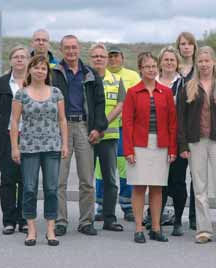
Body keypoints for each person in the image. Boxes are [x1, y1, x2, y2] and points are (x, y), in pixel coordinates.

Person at [177, 46, 216, 245]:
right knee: (200, 188)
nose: (204, 64)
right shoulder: (188, 87)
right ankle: (203, 230)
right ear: (197, 63)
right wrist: (183, 145)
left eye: (207, 60)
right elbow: (181, 119)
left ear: (213, 62)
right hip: (196, 142)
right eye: (200, 61)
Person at [52, 35, 108, 237]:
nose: (71, 51)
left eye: (74, 47)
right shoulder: (54, 73)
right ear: (61, 50)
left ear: (79, 49)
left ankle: (86, 221)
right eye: (66, 48)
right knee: (60, 179)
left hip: (85, 127)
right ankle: (60, 221)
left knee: (86, 179)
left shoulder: (90, 73)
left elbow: (100, 103)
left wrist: (98, 128)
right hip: (62, 128)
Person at [10, 55, 68, 246]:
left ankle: (50, 230)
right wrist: (15, 147)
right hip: (29, 148)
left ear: (47, 72)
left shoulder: (56, 92)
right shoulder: (21, 94)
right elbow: (15, 121)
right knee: (29, 189)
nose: (40, 71)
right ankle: (32, 229)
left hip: (52, 147)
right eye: (36, 68)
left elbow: (62, 120)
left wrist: (65, 144)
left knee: (51, 189)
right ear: (30, 70)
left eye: (43, 68)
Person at [122, 52, 177, 243]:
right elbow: (127, 123)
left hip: (161, 145)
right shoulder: (132, 92)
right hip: (138, 145)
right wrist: (128, 150)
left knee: (157, 188)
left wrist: (172, 149)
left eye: (154, 66)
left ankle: (155, 228)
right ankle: (138, 229)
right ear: (140, 69)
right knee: (139, 187)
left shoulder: (166, 92)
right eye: (147, 67)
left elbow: (172, 123)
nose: (151, 70)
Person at [93, 45, 141, 223]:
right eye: (110, 56)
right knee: (101, 170)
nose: (113, 60)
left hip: (124, 129)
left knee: (125, 168)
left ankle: (127, 205)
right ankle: (101, 205)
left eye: (116, 56)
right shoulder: (97, 75)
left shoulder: (132, 76)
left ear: (122, 58)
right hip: (103, 130)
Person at [0, 45, 30, 235]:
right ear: (10, 60)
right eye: (16, 56)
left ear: (29, 60)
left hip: (30, 138)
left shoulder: (34, 83)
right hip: (5, 137)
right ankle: (9, 220)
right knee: (8, 179)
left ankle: (24, 219)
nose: (19, 60)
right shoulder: (0, 83)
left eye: (23, 57)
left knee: (27, 180)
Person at [89, 43, 125, 232]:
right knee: (86, 180)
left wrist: (101, 126)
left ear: (107, 59)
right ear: (90, 58)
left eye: (102, 56)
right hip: (87, 137)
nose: (99, 59)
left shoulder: (116, 80)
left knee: (110, 179)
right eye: (95, 56)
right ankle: (86, 219)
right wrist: (92, 130)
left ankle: (110, 219)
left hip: (108, 137)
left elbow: (120, 105)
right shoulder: (84, 78)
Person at [156, 46, 188, 236]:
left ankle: (177, 220)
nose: (169, 63)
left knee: (177, 181)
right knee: (158, 182)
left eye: (172, 60)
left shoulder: (183, 84)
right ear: (160, 62)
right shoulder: (152, 82)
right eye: (166, 59)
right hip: (154, 139)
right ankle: (156, 219)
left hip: (177, 138)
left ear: (177, 63)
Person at [176, 32, 198, 230]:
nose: (186, 47)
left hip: (196, 128)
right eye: (183, 44)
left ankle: (194, 216)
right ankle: (176, 216)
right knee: (177, 176)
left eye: (190, 44)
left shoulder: (201, 69)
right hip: (176, 129)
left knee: (197, 177)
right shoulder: (174, 69)